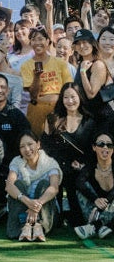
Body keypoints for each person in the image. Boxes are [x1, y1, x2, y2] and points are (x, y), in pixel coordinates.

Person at [41, 82, 95, 229]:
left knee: (78, 215)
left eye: (73, 96)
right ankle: (54, 217)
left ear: (80, 97)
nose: (70, 101)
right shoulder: (53, 119)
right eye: (66, 97)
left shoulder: (89, 121)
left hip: (78, 170)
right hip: (56, 167)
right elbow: (45, 145)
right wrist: (59, 163)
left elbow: (91, 150)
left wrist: (82, 164)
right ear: (61, 99)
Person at [5, 130, 62, 242]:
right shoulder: (16, 162)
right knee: (18, 184)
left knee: (44, 185)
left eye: (30, 144)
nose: (26, 149)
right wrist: (27, 202)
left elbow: (54, 188)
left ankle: (39, 225)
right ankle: (23, 226)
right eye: (22, 146)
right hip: (22, 208)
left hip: (45, 210)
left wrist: (36, 205)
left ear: (38, 144)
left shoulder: (50, 163)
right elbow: (9, 186)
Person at [20, 26, 73, 137]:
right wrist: (37, 77)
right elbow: (33, 96)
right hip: (37, 113)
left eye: (40, 39)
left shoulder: (60, 63)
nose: (37, 42)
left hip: (60, 111)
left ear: (48, 41)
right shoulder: (26, 66)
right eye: (34, 39)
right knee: (40, 144)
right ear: (30, 43)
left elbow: (68, 89)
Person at [0, 73, 31, 175]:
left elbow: (28, 142)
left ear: (8, 91)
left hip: (13, 168)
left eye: (2, 87)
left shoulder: (17, 116)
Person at [75, 132, 114, 240]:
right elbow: (79, 183)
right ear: (94, 147)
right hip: (94, 212)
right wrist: (95, 199)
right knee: (82, 189)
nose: (105, 147)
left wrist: (105, 200)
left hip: (110, 210)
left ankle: (98, 226)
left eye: (109, 145)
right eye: (101, 144)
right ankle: (100, 226)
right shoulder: (90, 167)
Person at [72, 28, 112, 126]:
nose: (81, 46)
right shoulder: (82, 64)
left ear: (92, 43)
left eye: (85, 42)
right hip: (87, 118)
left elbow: (91, 94)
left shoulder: (98, 65)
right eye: (78, 43)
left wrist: (83, 72)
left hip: (101, 120)